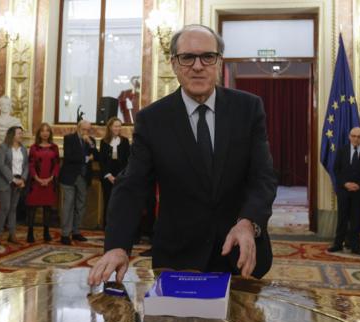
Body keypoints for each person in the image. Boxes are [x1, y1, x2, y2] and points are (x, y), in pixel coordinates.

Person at [88, 24, 277, 286]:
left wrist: (249, 223)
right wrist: (118, 245)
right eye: (187, 57)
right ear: (174, 64)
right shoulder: (152, 119)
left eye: (207, 57)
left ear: (218, 62)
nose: (197, 66)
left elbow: (263, 177)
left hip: (239, 255)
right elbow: (132, 186)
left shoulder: (248, 108)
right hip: (177, 258)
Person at [328, 127, 360, 255]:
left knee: (356, 219)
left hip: (359, 191)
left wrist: (359, 185)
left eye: (359, 137)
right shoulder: (342, 150)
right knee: (342, 218)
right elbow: (336, 169)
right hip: (344, 190)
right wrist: (345, 184)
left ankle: (355, 245)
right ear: (349, 137)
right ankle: (338, 244)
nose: (356, 139)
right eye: (354, 136)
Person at [59, 120, 97, 245]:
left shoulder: (91, 140)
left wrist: (90, 143)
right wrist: (86, 157)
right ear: (78, 128)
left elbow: (96, 155)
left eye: (88, 130)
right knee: (68, 205)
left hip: (83, 177)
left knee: (81, 205)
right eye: (83, 129)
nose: (85, 132)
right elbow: (69, 156)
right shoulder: (69, 138)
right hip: (69, 177)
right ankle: (65, 234)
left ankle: (76, 231)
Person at [0, 126, 28, 245]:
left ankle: (12, 234)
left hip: (18, 181)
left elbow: (26, 165)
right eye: (19, 133)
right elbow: (1, 165)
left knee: (13, 208)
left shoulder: (23, 149)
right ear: (12, 135)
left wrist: (22, 178)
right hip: (4, 181)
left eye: (21, 133)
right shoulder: (3, 147)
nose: (21, 135)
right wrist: (12, 179)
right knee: (5, 208)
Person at [26, 123, 59, 243]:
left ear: (50, 133)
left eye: (47, 131)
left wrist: (50, 178)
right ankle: (30, 232)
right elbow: (31, 164)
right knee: (32, 208)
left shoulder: (54, 147)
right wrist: (38, 179)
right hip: (36, 182)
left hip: (49, 182)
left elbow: (56, 165)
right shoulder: (34, 147)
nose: (45, 133)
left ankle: (46, 231)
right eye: (42, 131)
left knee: (47, 208)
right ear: (39, 133)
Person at [99, 117, 130, 228]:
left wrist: (121, 176)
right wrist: (108, 175)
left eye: (119, 126)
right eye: (115, 126)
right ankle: (107, 226)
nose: (117, 128)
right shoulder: (104, 142)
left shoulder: (125, 141)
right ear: (110, 127)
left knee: (120, 202)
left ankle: (119, 226)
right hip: (108, 176)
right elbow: (102, 161)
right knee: (108, 201)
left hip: (121, 176)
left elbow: (128, 160)